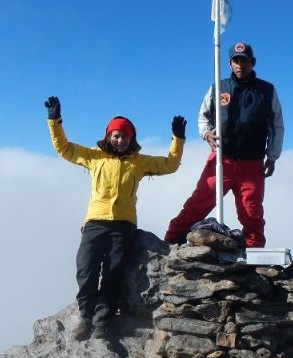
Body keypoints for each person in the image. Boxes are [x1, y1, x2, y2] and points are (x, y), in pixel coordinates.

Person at [44, 96, 186, 340]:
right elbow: (63, 148)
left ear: (131, 139)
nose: (120, 140)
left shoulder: (139, 162)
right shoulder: (94, 156)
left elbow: (171, 165)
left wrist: (177, 139)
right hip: (95, 222)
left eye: (125, 136)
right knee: (85, 269)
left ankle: (102, 319)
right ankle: (85, 315)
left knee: (113, 272)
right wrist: (54, 120)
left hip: (123, 225)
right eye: (116, 135)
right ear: (108, 136)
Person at [164, 42, 284, 248]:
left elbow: (276, 125)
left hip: (252, 163)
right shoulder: (218, 88)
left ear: (252, 62)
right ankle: (171, 240)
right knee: (199, 202)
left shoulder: (267, 91)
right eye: (236, 60)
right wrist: (206, 133)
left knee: (251, 211)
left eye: (244, 60)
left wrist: (272, 157)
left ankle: (255, 253)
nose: (240, 65)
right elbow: (203, 116)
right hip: (222, 158)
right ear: (229, 63)